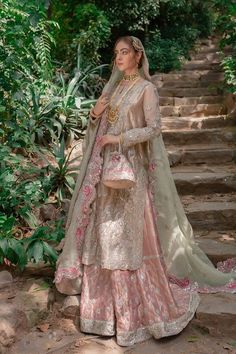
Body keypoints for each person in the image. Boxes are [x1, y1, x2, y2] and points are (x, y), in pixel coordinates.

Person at [54, 36, 236, 347]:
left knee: (127, 236)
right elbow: (99, 126)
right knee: (104, 232)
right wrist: (95, 114)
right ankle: (102, 315)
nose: (119, 58)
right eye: (116, 53)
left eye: (125, 52)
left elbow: (153, 128)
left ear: (138, 56)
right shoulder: (113, 88)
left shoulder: (146, 89)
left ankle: (135, 314)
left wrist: (120, 139)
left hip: (131, 172)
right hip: (105, 170)